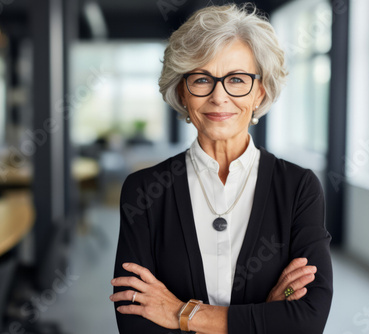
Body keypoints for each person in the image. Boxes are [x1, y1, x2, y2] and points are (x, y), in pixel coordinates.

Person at [110, 4, 333, 333]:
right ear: (183, 93)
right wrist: (263, 316)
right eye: (202, 79)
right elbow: (134, 323)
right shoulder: (143, 191)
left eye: (237, 79)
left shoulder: (298, 188)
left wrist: (180, 313)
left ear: (259, 92)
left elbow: (308, 318)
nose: (219, 96)